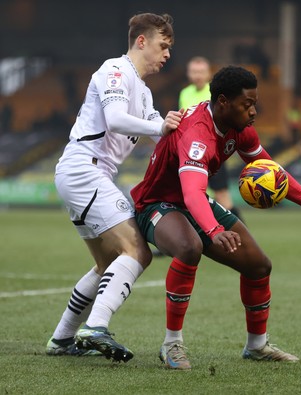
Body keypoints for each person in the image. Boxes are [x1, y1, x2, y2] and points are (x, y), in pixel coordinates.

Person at [130, 66, 301, 370]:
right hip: (156, 203)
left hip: (195, 201)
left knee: (258, 265)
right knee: (189, 248)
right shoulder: (196, 133)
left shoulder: (240, 128)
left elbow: (271, 171)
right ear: (223, 102)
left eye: (254, 103)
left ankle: (257, 346)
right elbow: (190, 193)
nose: (253, 111)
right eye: (247, 104)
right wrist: (212, 230)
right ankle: (171, 344)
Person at [45, 12, 183, 362]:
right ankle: (95, 327)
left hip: (91, 175)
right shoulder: (115, 71)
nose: (167, 54)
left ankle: (62, 339)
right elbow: (117, 120)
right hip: (83, 169)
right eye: (163, 46)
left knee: (108, 262)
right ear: (141, 41)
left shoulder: (146, 94)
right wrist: (161, 129)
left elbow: (162, 132)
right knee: (138, 252)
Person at [179, 56, 244, 222]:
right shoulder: (184, 93)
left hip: (213, 151)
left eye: (201, 72)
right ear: (188, 74)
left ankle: (243, 236)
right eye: (194, 72)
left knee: (222, 195)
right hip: (192, 154)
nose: (197, 75)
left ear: (209, 74)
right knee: (187, 197)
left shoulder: (214, 92)